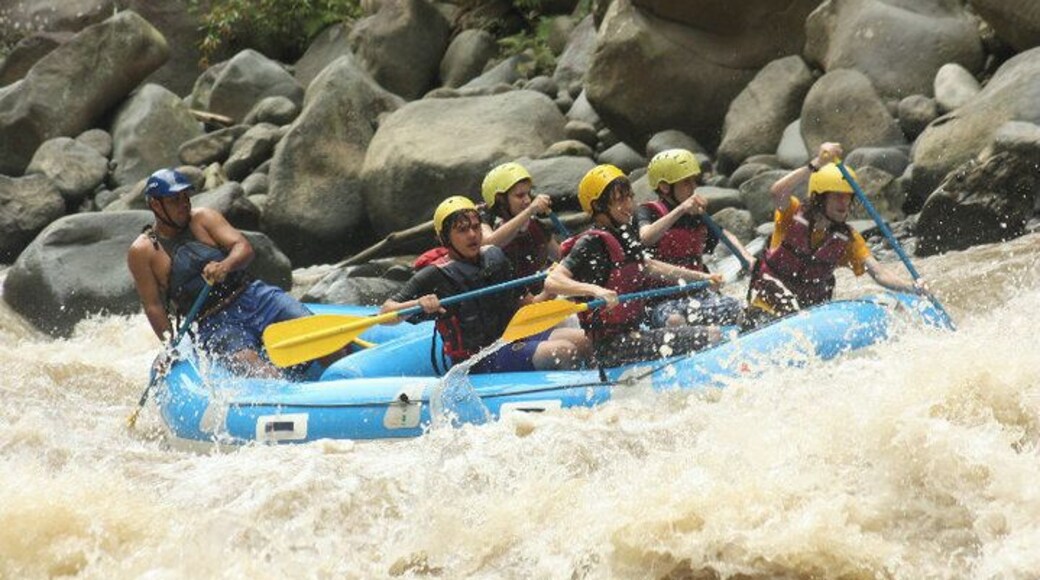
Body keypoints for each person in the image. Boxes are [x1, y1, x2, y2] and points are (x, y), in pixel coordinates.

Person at [127, 168, 316, 378]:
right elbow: (153, 305)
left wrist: (225, 266)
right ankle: (291, 397)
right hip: (213, 322)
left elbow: (243, 247)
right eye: (174, 200)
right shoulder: (142, 251)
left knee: (315, 332)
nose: (183, 204)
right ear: (155, 204)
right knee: (257, 370)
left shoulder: (203, 218)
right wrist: (170, 345)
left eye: (185, 197)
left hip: (254, 297)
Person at [381, 196, 590, 373]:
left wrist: (550, 288)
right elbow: (385, 314)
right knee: (563, 350)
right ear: (445, 238)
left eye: (474, 227)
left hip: (514, 338)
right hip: (478, 359)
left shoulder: (495, 257)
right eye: (462, 230)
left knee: (587, 341)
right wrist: (418, 302)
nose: (472, 235)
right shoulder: (433, 275)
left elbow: (528, 306)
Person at [543, 164, 725, 368]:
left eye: (630, 196)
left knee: (701, 328)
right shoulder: (590, 243)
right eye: (620, 199)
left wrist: (703, 279)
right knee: (712, 334)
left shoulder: (622, 234)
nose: (629, 205)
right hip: (612, 347)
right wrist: (595, 290)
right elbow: (552, 281)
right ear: (598, 206)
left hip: (634, 331)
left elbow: (649, 266)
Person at [745, 142, 931, 328]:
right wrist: (816, 163)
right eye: (836, 196)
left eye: (848, 196)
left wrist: (912, 288)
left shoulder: (848, 239)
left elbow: (878, 272)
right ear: (819, 197)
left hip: (810, 317)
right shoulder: (791, 215)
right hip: (765, 311)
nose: (844, 202)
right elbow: (778, 191)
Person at [636, 149, 754, 328]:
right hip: (660, 301)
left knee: (741, 310)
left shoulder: (696, 215)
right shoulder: (647, 211)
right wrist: (681, 209)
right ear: (665, 187)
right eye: (686, 182)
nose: (693, 187)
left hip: (698, 294)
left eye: (693, 181)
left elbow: (724, 235)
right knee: (675, 321)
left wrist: (747, 257)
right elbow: (645, 238)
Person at [479, 162, 561, 281]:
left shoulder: (535, 225)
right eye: (520, 195)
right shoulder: (483, 217)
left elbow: (561, 256)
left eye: (528, 193)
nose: (528, 200)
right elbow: (489, 244)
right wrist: (530, 210)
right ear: (500, 199)